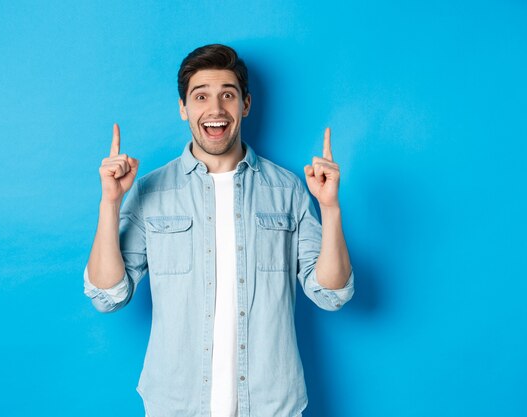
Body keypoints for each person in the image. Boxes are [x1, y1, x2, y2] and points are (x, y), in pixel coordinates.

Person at [83, 44, 354, 417]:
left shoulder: (288, 190)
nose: (215, 109)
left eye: (228, 94)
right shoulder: (150, 191)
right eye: (201, 96)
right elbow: (107, 295)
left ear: (245, 104)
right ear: (184, 108)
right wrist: (110, 203)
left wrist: (330, 207)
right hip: (176, 406)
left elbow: (331, 294)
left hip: (271, 406)